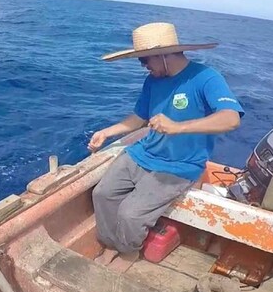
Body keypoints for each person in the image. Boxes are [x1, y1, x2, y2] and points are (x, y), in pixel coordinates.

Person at [88, 23, 244, 265]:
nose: (144, 66)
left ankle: (128, 251)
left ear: (163, 55)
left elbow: (231, 118)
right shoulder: (153, 81)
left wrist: (178, 127)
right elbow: (139, 118)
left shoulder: (206, 77)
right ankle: (110, 244)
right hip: (143, 153)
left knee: (131, 214)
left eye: (145, 60)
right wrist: (107, 132)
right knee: (102, 193)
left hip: (179, 165)